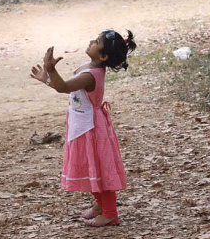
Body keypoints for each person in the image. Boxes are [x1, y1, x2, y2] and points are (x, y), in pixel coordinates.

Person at [29, 30, 136, 227]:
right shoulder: (89, 67)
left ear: (103, 56)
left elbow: (63, 87)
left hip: (91, 128)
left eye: (96, 42)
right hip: (82, 124)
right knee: (91, 166)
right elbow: (63, 85)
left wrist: (50, 70)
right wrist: (47, 78)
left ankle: (110, 213)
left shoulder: (91, 76)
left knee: (100, 169)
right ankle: (100, 204)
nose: (91, 41)